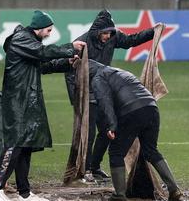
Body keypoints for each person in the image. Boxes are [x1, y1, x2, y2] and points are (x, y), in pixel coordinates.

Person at [0, 10, 85, 201]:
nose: (49, 34)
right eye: (48, 30)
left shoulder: (30, 43)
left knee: (26, 145)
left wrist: (67, 62)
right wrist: (70, 48)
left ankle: (24, 193)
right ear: (39, 28)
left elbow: (43, 66)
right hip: (17, 102)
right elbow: (43, 53)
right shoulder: (22, 39)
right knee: (14, 145)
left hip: (27, 102)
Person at [65, 9, 156, 181]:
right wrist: (75, 98)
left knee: (109, 129)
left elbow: (131, 40)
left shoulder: (114, 36)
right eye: (105, 33)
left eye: (110, 33)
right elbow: (69, 71)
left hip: (103, 90)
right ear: (97, 31)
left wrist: (152, 32)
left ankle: (95, 167)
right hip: (86, 93)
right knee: (88, 133)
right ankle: (84, 171)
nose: (108, 36)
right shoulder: (82, 43)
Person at [88, 60, 183, 201]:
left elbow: (105, 102)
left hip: (132, 111)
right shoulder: (120, 71)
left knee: (116, 152)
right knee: (151, 150)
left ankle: (119, 195)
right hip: (151, 107)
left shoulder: (98, 78)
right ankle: (174, 190)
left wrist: (112, 126)